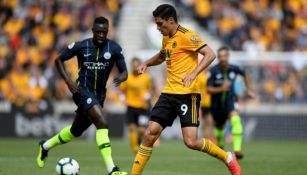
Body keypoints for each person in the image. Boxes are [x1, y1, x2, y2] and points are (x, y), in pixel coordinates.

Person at [131, 4, 241, 175]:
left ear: (171, 20)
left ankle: (228, 157)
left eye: (160, 24)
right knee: (149, 134)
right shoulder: (166, 37)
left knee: (191, 141)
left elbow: (210, 54)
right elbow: (162, 55)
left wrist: (194, 73)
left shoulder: (187, 35)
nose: (158, 28)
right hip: (168, 93)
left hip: (188, 95)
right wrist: (146, 63)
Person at [36, 16, 128, 175]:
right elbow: (59, 60)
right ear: (92, 30)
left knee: (75, 131)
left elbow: (124, 71)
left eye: (104, 32)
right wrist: (69, 82)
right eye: (98, 31)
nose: (101, 35)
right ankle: (112, 169)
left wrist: (122, 77)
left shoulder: (114, 48)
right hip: (82, 91)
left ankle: (45, 146)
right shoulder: (81, 45)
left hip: (99, 95)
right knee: (102, 123)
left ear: (108, 31)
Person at [207, 46, 255, 159]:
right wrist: (221, 89)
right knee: (219, 128)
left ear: (228, 56)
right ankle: (220, 144)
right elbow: (208, 89)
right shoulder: (213, 71)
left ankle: (237, 150)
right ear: (218, 57)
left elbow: (245, 73)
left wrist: (249, 89)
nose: (223, 58)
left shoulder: (234, 68)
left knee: (236, 120)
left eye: (224, 56)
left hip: (230, 102)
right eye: (220, 56)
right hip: (217, 105)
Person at [119, 57, 156, 154]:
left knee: (141, 130)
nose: (135, 67)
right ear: (131, 66)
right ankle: (134, 148)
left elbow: (152, 89)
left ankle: (139, 142)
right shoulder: (127, 77)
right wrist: (123, 98)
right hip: (131, 106)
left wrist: (148, 95)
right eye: (134, 65)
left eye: (137, 65)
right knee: (131, 128)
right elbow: (122, 90)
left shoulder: (146, 77)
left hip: (143, 107)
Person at [198, 71, 214, 139]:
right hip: (205, 102)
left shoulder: (208, 74)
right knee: (209, 121)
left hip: (210, 101)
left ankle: (206, 137)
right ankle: (207, 137)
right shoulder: (200, 76)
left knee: (207, 121)